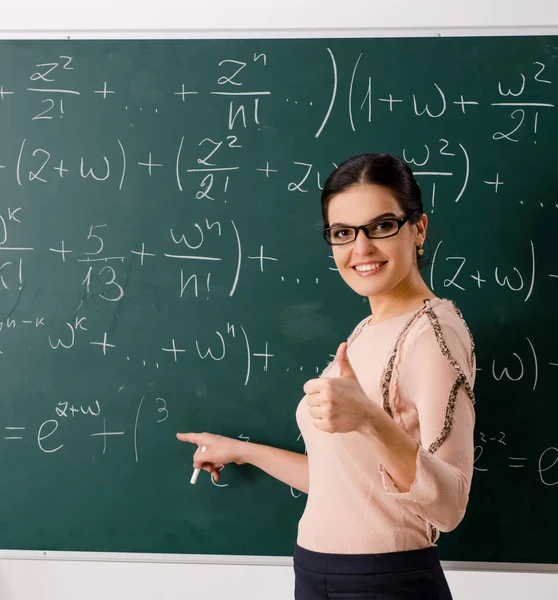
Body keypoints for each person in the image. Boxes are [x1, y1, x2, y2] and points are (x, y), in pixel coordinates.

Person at [177, 153, 476, 599]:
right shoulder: (364, 333)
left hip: (383, 581)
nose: (361, 249)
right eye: (343, 233)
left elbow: (449, 506)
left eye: (381, 226)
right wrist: (242, 451)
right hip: (318, 572)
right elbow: (349, 482)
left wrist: (371, 420)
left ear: (418, 230)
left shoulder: (432, 332)